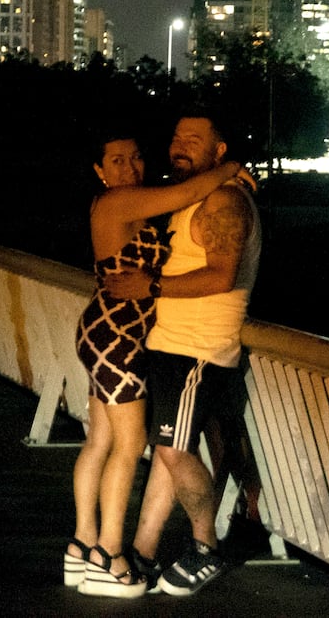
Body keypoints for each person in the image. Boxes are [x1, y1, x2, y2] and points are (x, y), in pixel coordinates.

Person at [67, 131, 254, 599]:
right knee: (128, 448)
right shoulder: (116, 204)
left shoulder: (127, 203)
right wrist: (230, 169)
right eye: (116, 160)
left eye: (135, 158)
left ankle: (81, 545)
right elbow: (189, 191)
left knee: (100, 442)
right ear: (99, 170)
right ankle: (108, 558)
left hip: (104, 333)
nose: (129, 168)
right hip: (118, 339)